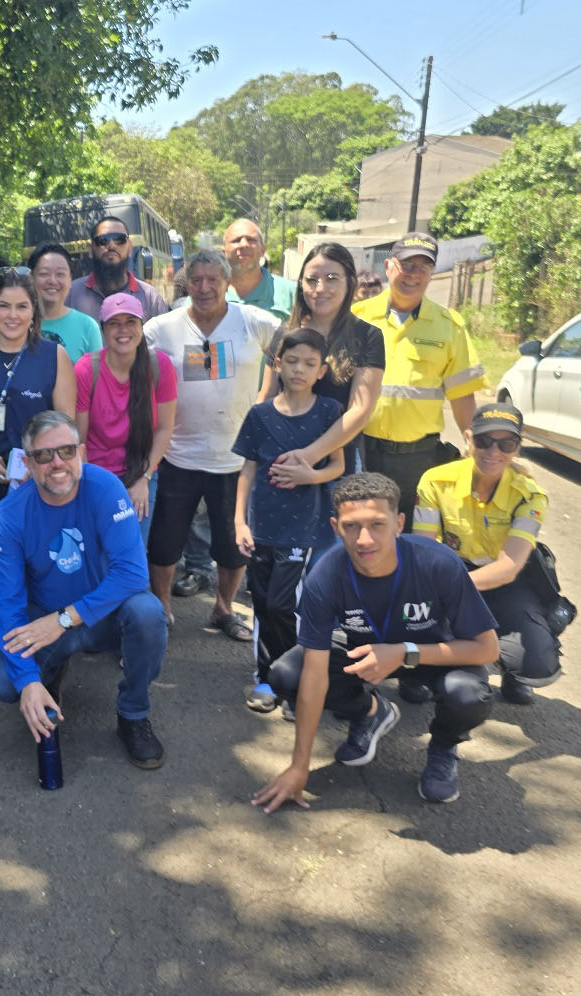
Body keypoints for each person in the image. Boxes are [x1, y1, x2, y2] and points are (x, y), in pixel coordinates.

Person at [253, 473, 498, 810]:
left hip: (431, 656)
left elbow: (487, 649)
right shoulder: (325, 576)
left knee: (468, 695)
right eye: (352, 526)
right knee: (286, 674)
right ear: (336, 527)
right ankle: (369, 711)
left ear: (399, 523)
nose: (364, 539)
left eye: (377, 525)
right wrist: (299, 765)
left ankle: (443, 746)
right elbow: (314, 674)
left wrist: (404, 653)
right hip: (365, 651)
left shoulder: (438, 563)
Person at [0, 411, 169, 770]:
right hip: (47, 617)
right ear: (26, 463)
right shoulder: (8, 516)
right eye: (44, 455)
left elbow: (133, 574)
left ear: (81, 452)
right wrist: (27, 682)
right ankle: (47, 679)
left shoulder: (105, 488)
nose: (58, 463)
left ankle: (133, 713)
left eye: (67, 451)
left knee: (148, 614)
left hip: (101, 613)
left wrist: (65, 618)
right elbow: (6, 605)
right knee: (7, 683)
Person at [143, 249, 278, 636]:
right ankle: (162, 611)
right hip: (176, 456)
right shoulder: (161, 328)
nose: (204, 288)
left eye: (212, 280)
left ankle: (223, 609)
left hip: (234, 459)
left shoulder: (253, 321)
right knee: (165, 543)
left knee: (233, 548)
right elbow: (136, 375)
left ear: (227, 283)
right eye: (196, 281)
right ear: (187, 285)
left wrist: (269, 401)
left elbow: (294, 349)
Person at [0, 269, 76, 674]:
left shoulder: (52, 355)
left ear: (34, 311)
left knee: (38, 559)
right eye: (4, 305)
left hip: (37, 477)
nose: (12, 315)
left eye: (21, 306)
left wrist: (39, 466)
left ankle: (40, 636)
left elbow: (64, 427)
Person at [414, 403, 561, 706]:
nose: (493, 451)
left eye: (507, 443)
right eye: (484, 441)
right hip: (450, 571)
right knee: (415, 622)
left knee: (536, 661)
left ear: (518, 447)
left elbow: (509, 567)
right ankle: (428, 669)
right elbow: (423, 550)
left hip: (503, 580)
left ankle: (512, 671)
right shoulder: (435, 481)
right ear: (468, 439)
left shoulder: (529, 495)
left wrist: (455, 590)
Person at [232, 328, 344, 713]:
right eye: (292, 361)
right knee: (262, 603)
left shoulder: (329, 412)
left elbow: (338, 466)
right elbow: (247, 471)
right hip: (261, 526)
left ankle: (294, 679)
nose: (299, 369)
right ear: (277, 364)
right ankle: (267, 677)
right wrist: (239, 523)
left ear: (322, 370)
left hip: (304, 528)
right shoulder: (260, 414)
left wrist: (309, 475)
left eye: (309, 364)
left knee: (285, 604)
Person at [353, 232, 486, 529]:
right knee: (360, 533)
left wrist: (474, 445)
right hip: (360, 451)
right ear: (388, 266)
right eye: (406, 265)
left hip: (418, 461)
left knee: (413, 537)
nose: (413, 274)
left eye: (423, 267)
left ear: (432, 273)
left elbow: (462, 394)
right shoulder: (357, 317)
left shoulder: (449, 326)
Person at [260, 243, 386, 484]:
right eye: (311, 279)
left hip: (337, 468)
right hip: (281, 463)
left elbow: (360, 411)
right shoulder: (284, 334)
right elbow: (266, 397)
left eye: (331, 278)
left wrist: (309, 456)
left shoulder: (368, 336)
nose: (320, 288)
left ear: (349, 281)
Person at [74, 294, 177, 542]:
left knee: (132, 554)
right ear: (103, 329)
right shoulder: (87, 369)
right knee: (95, 551)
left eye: (131, 322)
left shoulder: (159, 365)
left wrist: (144, 476)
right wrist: (87, 487)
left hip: (140, 470)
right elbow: (79, 438)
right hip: (95, 474)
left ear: (142, 326)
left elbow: (164, 428)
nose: (123, 330)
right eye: (114, 323)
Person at [64, 216, 168, 323]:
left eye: (119, 239)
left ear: (130, 248)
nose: (111, 245)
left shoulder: (150, 298)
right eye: (102, 240)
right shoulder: (70, 295)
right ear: (91, 250)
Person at [30, 243, 103, 363]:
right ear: (31, 278)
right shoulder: (18, 322)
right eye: (44, 274)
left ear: (70, 280)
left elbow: (96, 379)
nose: (52, 281)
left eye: (60, 274)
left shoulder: (88, 326)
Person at [223, 219, 295, 321]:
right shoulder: (207, 294)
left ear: (263, 249)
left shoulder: (291, 293)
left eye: (251, 240)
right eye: (236, 240)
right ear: (223, 252)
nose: (244, 244)